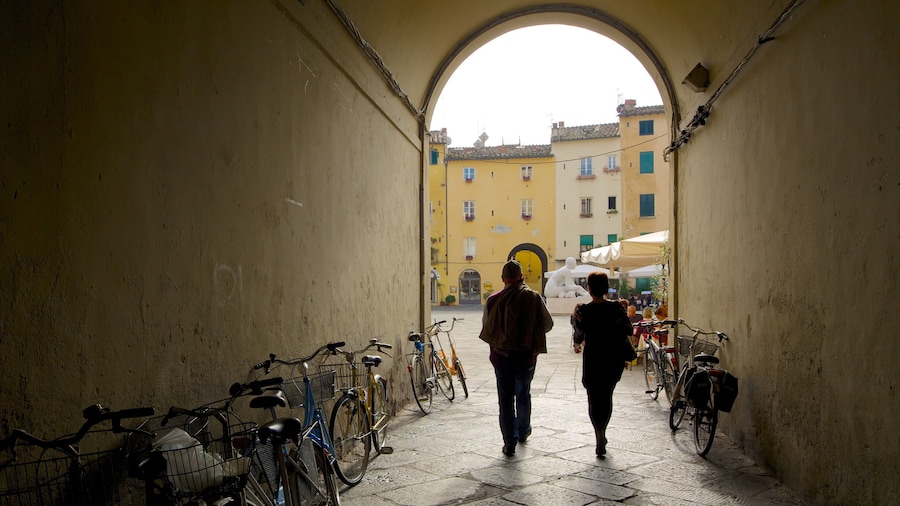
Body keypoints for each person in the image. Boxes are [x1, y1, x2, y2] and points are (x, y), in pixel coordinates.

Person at [479, 260, 554, 457]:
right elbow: (547, 324)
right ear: (521, 277)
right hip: (526, 356)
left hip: (501, 357)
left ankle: (509, 442)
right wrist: (529, 331)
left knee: (505, 399)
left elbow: (487, 327)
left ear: (503, 279)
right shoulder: (533, 298)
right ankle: (523, 430)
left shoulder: (493, 300)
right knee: (523, 393)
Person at [571, 272, 633, 457]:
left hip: (593, 358)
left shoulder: (583, 310)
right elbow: (629, 330)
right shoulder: (616, 308)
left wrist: (577, 344)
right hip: (612, 357)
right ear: (606, 289)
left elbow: (579, 335)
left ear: (589, 289)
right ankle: (603, 433)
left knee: (593, 398)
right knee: (607, 396)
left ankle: (598, 434)